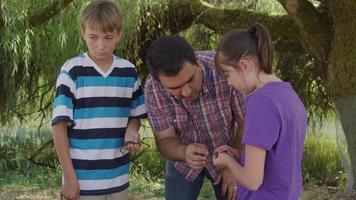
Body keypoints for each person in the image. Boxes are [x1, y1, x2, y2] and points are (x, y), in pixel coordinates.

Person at [51, 0, 146, 199]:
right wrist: (69, 178)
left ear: (119, 34)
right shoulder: (72, 71)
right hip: (81, 182)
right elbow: (59, 127)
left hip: (119, 179)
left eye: (108, 37)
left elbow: (135, 115)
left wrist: (132, 130)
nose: (100, 45)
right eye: (93, 37)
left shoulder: (128, 71)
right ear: (83, 32)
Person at [212, 23, 307, 200]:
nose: (229, 83)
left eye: (227, 74)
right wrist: (240, 155)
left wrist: (227, 161)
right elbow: (279, 157)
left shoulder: (261, 101)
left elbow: (252, 180)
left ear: (244, 66)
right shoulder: (289, 95)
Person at [144, 35, 245, 200]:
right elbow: (164, 140)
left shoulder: (224, 70)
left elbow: (246, 124)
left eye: (190, 80)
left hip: (230, 151)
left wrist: (234, 164)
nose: (186, 92)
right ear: (159, 82)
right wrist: (183, 152)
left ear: (197, 60)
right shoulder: (152, 88)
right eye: (174, 88)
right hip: (182, 160)